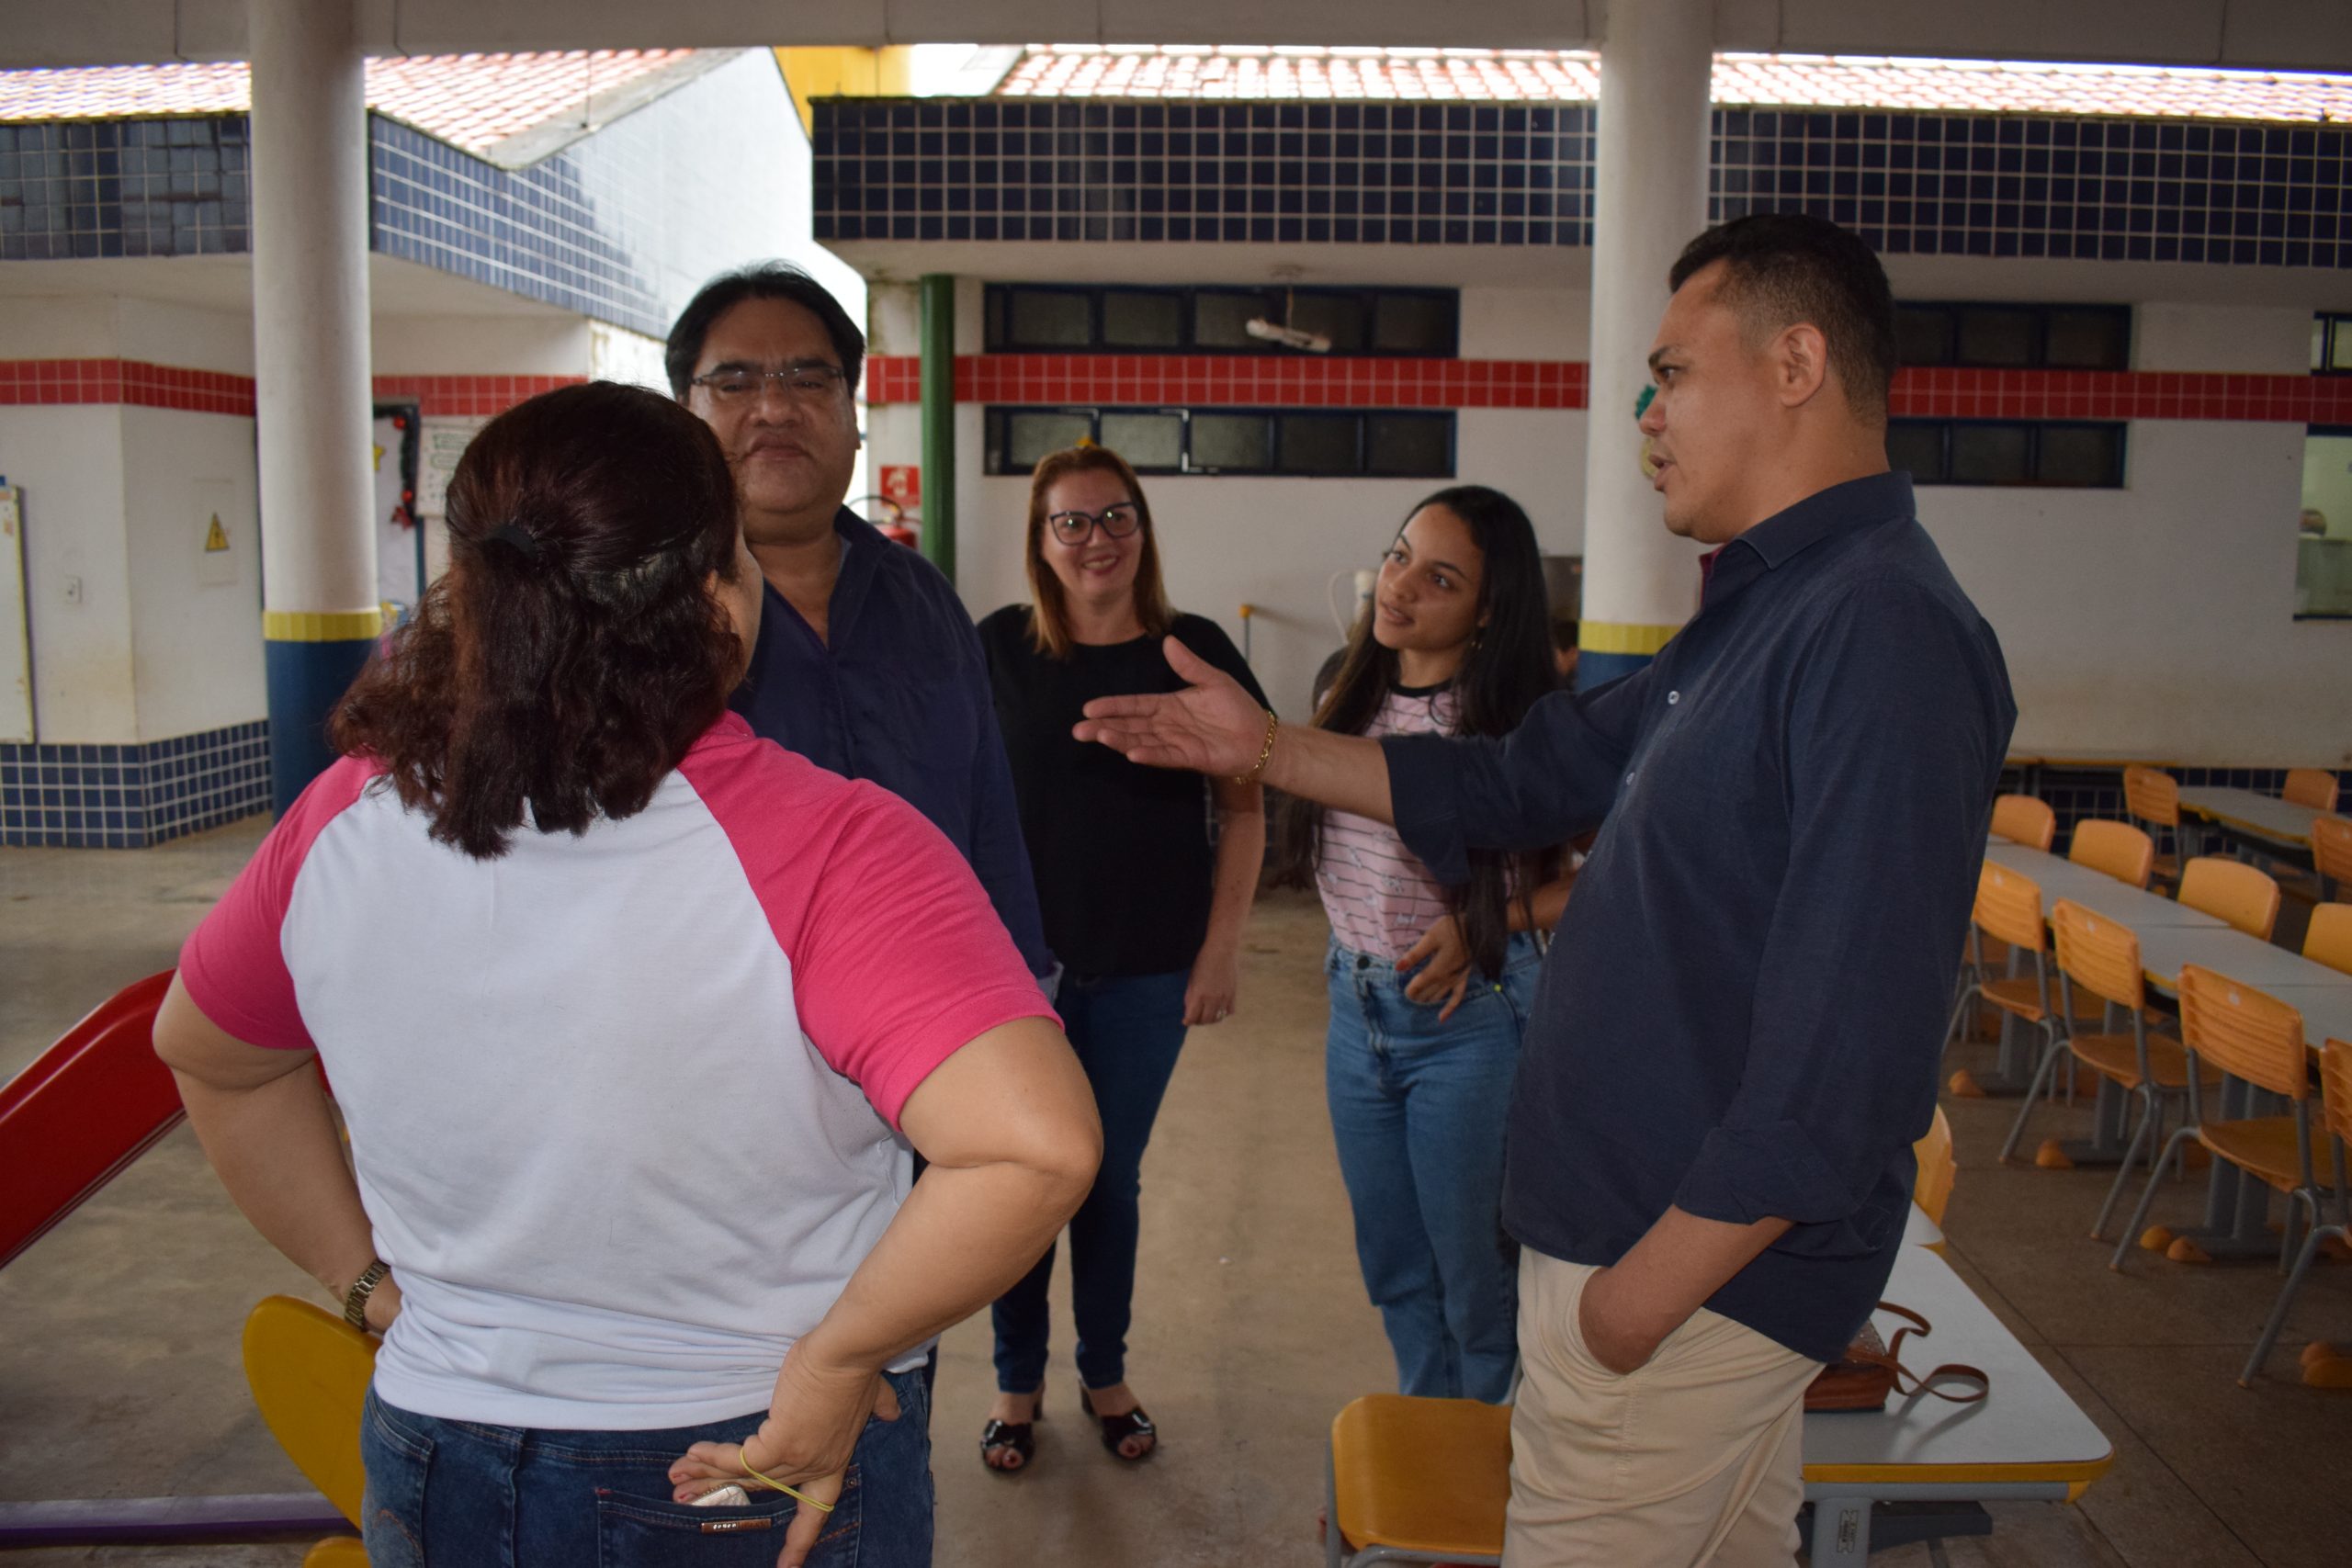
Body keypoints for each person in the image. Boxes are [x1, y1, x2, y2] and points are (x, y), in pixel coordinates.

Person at [1073, 213, 2017, 1564]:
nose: (1644, 411)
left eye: (1672, 371)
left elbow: (1851, 1055)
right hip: (1639, 1255)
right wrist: (1266, 746)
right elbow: (1522, 779)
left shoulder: (1881, 631)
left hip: (1680, 1284)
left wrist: (1634, 1303)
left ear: (1797, 361)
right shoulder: (1764, 608)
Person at [153, 383, 1102, 1568]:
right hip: (736, 1459)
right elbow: (1033, 1146)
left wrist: (361, 1281)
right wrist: (840, 1354)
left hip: (433, 1447)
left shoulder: (343, 816)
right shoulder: (834, 846)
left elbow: (213, 1057)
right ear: (716, 594)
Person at [971, 445, 1269, 1470]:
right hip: (1018, 973)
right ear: (1040, 542)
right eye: (1072, 521)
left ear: (1141, 527)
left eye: (1115, 516)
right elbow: (955, 804)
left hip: (1147, 966)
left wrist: (1221, 950)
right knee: (1024, 1181)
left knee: (1108, 1181)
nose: (1096, 539)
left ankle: (1105, 1373)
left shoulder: (1191, 650)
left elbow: (1244, 811)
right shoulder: (999, 650)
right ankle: (1016, 1384)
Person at [1270, 484, 1576, 1404]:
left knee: (1475, 1275)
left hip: (1470, 1018)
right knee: (1394, 1264)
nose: (1399, 586)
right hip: (1353, 1010)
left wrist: (1493, 920)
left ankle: (1480, 1482)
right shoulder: (1343, 689)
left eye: (1438, 578)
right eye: (1399, 555)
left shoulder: (1521, 728)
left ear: (1488, 612)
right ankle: (1423, 1440)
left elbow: (1613, 869)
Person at [666, 263, 1054, 983]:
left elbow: (989, 813)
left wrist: (1026, 980)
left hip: (939, 1011)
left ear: (853, 413)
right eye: (735, 382)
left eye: (810, 380)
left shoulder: (923, 598)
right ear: (682, 410)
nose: (775, 409)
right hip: (729, 1029)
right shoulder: (632, 617)